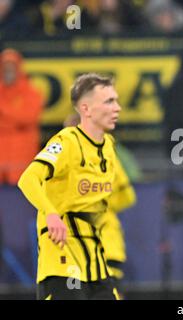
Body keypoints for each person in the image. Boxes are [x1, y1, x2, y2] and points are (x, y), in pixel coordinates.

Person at [18, 73, 122, 300]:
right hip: (62, 259)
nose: (118, 108)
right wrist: (51, 214)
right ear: (86, 109)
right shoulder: (66, 142)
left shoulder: (108, 147)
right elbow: (28, 179)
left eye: (116, 100)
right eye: (109, 101)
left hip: (95, 261)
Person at [63, 113, 137, 298]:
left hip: (81, 247)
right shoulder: (107, 159)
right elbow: (127, 196)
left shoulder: (64, 166)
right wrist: (105, 205)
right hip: (106, 243)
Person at [0, 48, 44, 185]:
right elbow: (21, 119)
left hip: (22, 153)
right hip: (2, 152)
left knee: (22, 197)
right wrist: (15, 122)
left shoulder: (31, 92)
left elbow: (29, 118)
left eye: (12, 67)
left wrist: (3, 112)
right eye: (5, 67)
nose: (8, 71)